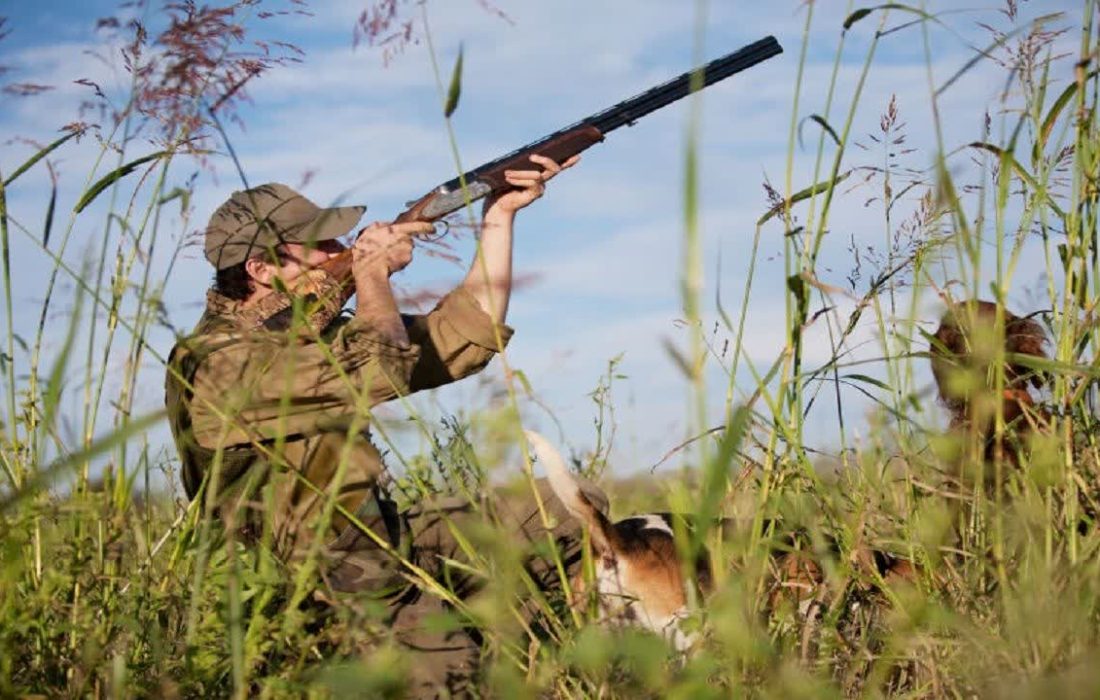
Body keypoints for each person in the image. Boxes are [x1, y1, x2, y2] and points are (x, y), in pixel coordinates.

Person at [164, 155, 605, 696]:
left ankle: (512, 648)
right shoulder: (217, 362)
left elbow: (469, 335)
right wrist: (371, 274)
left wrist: (498, 218)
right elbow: (382, 366)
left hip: (380, 539)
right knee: (457, 682)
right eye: (322, 247)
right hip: (315, 580)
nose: (340, 251)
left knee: (571, 507)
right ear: (260, 270)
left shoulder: (310, 335)